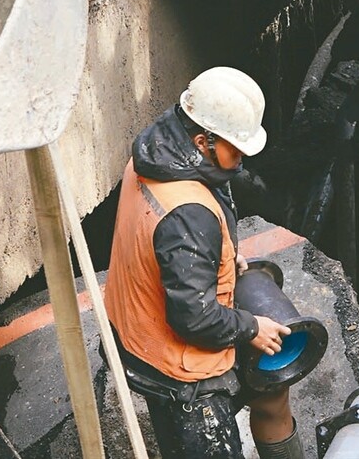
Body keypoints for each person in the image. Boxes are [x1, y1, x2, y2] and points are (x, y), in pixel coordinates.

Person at [105, 67, 302, 459]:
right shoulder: (187, 215)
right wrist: (250, 328)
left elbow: (164, 245)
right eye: (235, 148)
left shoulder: (156, 155)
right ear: (202, 139)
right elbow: (193, 318)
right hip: (175, 369)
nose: (242, 159)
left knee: (273, 389)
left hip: (133, 326)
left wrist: (221, 256)